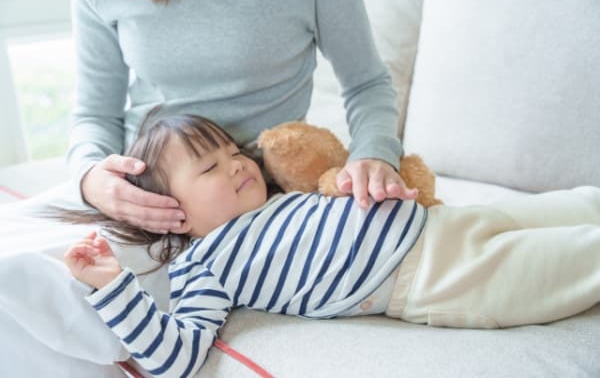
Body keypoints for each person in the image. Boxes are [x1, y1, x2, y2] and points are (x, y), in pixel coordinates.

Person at [64, 113, 600, 378]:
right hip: (436, 279)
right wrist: (114, 284)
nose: (236, 164)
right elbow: (174, 358)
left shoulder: (275, 198)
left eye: (232, 151)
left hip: (444, 223)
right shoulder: (203, 267)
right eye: (210, 167)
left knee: (576, 203)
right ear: (168, 213)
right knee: (577, 258)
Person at [69, 0, 418, 235]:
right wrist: (90, 179)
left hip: (262, 201)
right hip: (145, 201)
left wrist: (372, 154)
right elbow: (95, 114)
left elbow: (366, 84)